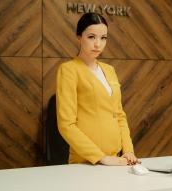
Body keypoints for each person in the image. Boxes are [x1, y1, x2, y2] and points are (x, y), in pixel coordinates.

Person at [56, 12, 140, 166]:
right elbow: (66, 125)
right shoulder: (69, 70)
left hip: (117, 160)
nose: (98, 44)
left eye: (103, 38)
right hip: (86, 161)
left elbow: (119, 115)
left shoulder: (109, 70)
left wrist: (128, 151)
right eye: (91, 37)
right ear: (79, 37)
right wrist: (101, 158)